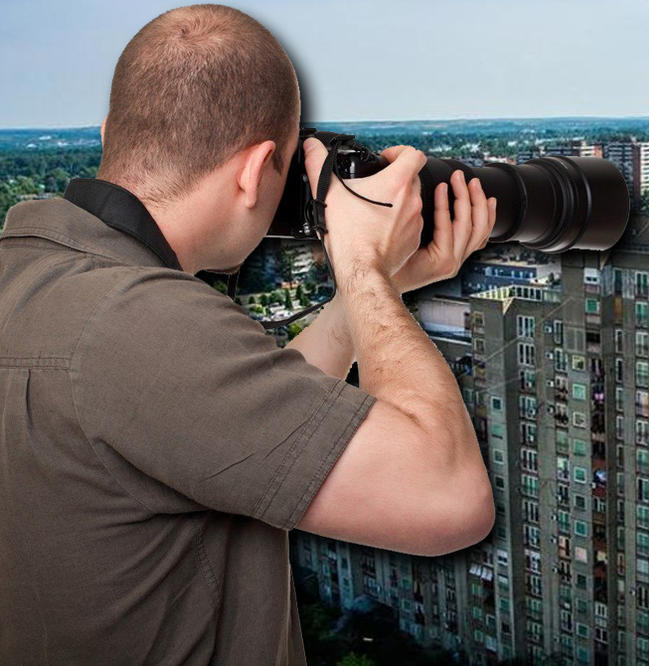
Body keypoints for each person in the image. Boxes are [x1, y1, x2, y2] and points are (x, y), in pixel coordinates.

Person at [0, 4, 496, 664]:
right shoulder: (138, 322)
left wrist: (379, 290)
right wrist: (358, 262)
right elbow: (446, 498)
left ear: (108, 133)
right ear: (254, 169)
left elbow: (243, 420)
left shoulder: (41, 277)